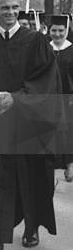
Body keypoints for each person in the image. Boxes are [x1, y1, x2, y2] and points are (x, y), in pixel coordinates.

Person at [0, 0, 62, 250]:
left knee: (30, 179)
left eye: (13, 7)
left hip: (28, 126)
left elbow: (47, 81)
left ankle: (31, 228)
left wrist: (16, 98)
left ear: (20, 7)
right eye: (4, 7)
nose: (9, 12)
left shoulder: (35, 41)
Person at [45, 14, 73, 182]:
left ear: (67, 30)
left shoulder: (72, 49)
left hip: (68, 98)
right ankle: (52, 162)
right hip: (48, 97)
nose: (57, 34)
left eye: (60, 30)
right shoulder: (44, 49)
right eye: (53, 30)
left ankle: (70, 163)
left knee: (69, 131)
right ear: (49, 31)